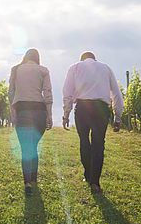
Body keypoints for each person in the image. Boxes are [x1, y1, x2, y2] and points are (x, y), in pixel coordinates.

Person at [62, 51, 124, 193]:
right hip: (101, 109)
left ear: (82, 59)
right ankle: (95, 182)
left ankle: (88, 175)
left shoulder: (75, 67)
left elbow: (67, 93)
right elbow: (116, 93)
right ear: (94, 59)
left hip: (82, 108)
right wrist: (117, 117)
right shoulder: (106, 68)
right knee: (98, 144)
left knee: (84, 141)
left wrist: (66, 114)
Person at [9, 48, 53, 195]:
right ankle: (33, 179)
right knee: (33, 145)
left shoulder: (15, 70)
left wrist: (13, 113)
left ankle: (28, 181)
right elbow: (47, 93)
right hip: (40, 111)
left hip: (22, 110)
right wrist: (49, 115)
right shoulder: (43, 70)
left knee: (26, 147)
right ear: (37, 58)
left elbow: (11, 93)